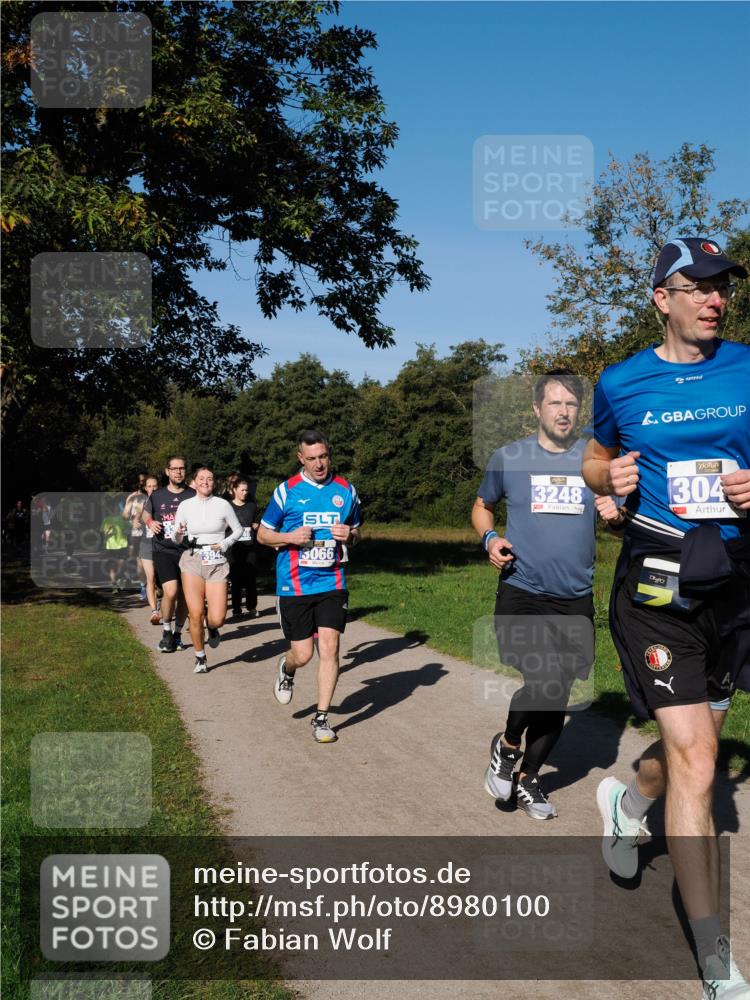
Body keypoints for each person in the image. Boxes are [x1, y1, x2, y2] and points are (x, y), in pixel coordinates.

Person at [582, 236, 750, 998]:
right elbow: (592, 455)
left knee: (697, 747)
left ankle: (629, 801)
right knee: (700, 761)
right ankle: (717, 959)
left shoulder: (749, 368)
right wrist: (605, 477)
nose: (716, 299)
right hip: (658, 583)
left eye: (724, 288)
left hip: (737, 581)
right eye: (699, 287)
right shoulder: (623, 381)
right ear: (662, 299)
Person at [472, 369, 624, 819]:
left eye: (571, 404)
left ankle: (528, 779)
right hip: (523, 590)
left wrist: (615, 515)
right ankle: (507, 745)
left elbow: (620, 520)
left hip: (574, 597)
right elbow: (483, 507)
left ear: (580, 412)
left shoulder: (595, 461)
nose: (563, 411)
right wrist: (490, 540)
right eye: (554, 403)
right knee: (542, 681)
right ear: (537, 409)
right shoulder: (509, 457)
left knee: (558, 695)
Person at [257, 429, 362, 743]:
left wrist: (351, 536)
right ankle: (287, 669)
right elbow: (263, 535)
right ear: (300, 458)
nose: (319, 464)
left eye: (323, 457)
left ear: (329, 455)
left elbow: (357, 531)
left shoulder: (346, 491)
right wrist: (290, 537)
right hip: (295, 584)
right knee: (302, 655)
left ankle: (321, 718)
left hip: (333, 581)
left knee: (329, 649)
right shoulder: (286, 491)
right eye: (312, 458)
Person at [174, 467, 243, 673]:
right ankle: (200, 657)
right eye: (201, 478)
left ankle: (212, 628)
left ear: (215, 483)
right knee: (195, 613)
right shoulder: (185, 506)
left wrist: (224, 544)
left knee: (217, 618)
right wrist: (178, 533)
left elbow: (238, 530)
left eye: (210, 479)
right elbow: (176, 538)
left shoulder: (223, 505)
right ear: (193, 482)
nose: (205, 482)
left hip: (217, 562)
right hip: (192, 559)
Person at [141, 456, 195, 652]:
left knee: (185, 596)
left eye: (182, 468)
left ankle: (177, 634)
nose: (179, 472)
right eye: (175, 469)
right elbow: (146, 512)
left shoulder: (193, 495)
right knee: (170, 591)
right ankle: (166, 630)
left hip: (187, 551)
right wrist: (150, 522)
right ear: (167, 471)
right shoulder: (157, 495)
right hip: (163, 549)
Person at [226, 477, 259, 619]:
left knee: (251, 579)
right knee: (236, 580)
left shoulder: (251, 506)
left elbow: (257, 520)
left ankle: (252, 607)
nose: (245, 493)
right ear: (234, 490)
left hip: (249, 547)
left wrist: (257, 525)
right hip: (233, 548)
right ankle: (236, 609)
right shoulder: (227, 506)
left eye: (247, 490)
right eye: (242, 490)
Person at [137, 475, 161, 625]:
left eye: (155, 486)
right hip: (146, 544)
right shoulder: (141, 503)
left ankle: (161, 597)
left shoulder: (163, 501)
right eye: (149, 486)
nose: (152, 488)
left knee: (163, 582)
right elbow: (132, 518)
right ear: (145, 488)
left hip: (162, 544)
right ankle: (154, 611)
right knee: (150, 578)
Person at [123, 474, 147, 599]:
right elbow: (125, 515)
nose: (142, 483)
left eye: (144, 480)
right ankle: (144, 587)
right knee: (140, 561)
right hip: (137, 533)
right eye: (140, 481)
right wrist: (132, 521)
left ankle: (155, 586)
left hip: (152, 532)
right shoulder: (133, 497)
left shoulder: (152, 494)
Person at [99, 497, 129, 592]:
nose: (113, 509)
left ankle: (122, 578)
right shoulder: (106, 520)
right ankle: (114, 585)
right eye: (111, 508)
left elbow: (130, 528)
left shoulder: (122, 518)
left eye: (114, 507)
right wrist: (108, 530)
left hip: (122, 545)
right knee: (112, 566)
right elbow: (104, 534)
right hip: (111, 546)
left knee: (121, 564)